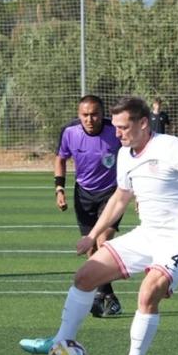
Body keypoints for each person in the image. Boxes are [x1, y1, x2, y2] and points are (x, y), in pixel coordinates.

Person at [20, 96, 178, 355]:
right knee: (85, 277)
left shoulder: (169, 147)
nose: (117, 132)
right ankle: (59, 341)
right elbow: (120, 198)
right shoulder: (124, 154)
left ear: (143, 124)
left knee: (148, 293)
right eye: (116, 127)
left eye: (123, 127)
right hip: (146, 235)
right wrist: (92, 235)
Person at [54, 95, 124, 317]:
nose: (90, 119)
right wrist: (59, 189)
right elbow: (60, 158)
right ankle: (107, 294)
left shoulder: (115, 130)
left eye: (94, 114)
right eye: (85, 115)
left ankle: (106, 296)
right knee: (91, 249)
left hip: (113, 192)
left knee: (103, 240)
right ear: (79, 115)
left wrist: (138, 192)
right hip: (83, 193)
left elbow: (133, 154)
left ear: (102, 114)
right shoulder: (69, 132)